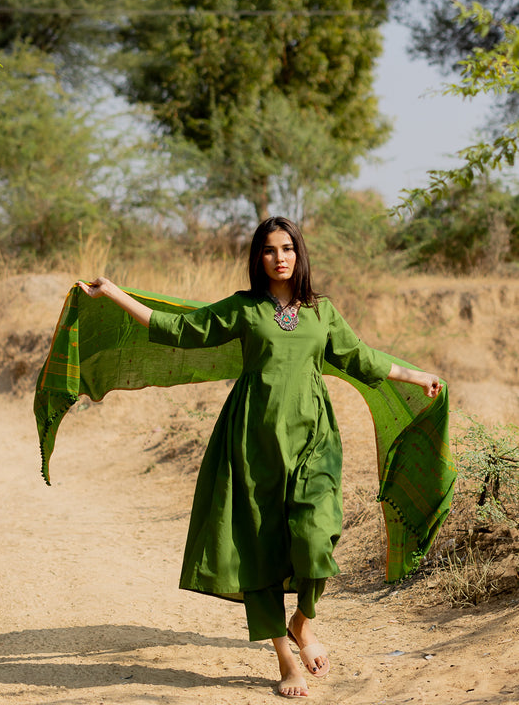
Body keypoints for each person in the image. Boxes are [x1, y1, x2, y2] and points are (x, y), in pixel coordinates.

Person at [78, 216, 443, 699]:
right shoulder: (244, 308)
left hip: (313, 438)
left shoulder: (321, 311)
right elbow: (180, 329)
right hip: (252, 441)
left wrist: (416, 375)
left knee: (318, 537)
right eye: (269, 250)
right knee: (261, 547)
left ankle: (303, 621)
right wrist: (115, 294)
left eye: (287, 248)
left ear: (299, 253)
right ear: (258, 258)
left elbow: (361, 357)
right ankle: (285, 658)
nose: (279, 257)